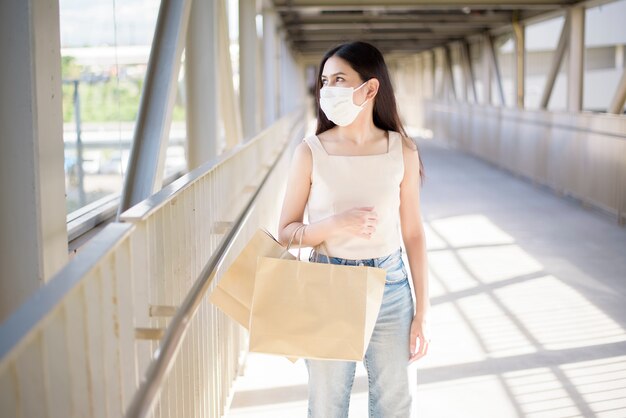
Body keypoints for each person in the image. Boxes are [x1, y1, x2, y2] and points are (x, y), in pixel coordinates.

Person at [277, 41, 431, 418]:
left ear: (370, 88)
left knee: (395, 404)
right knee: (328, 405)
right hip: (329, 281)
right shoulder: (310, 151)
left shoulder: (403, 150)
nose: (329, 89)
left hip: (391, 287)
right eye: (325, 81)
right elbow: (285, 232)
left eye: (340, 79)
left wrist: (422, 313)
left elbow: (413, 234)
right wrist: (335, 223)